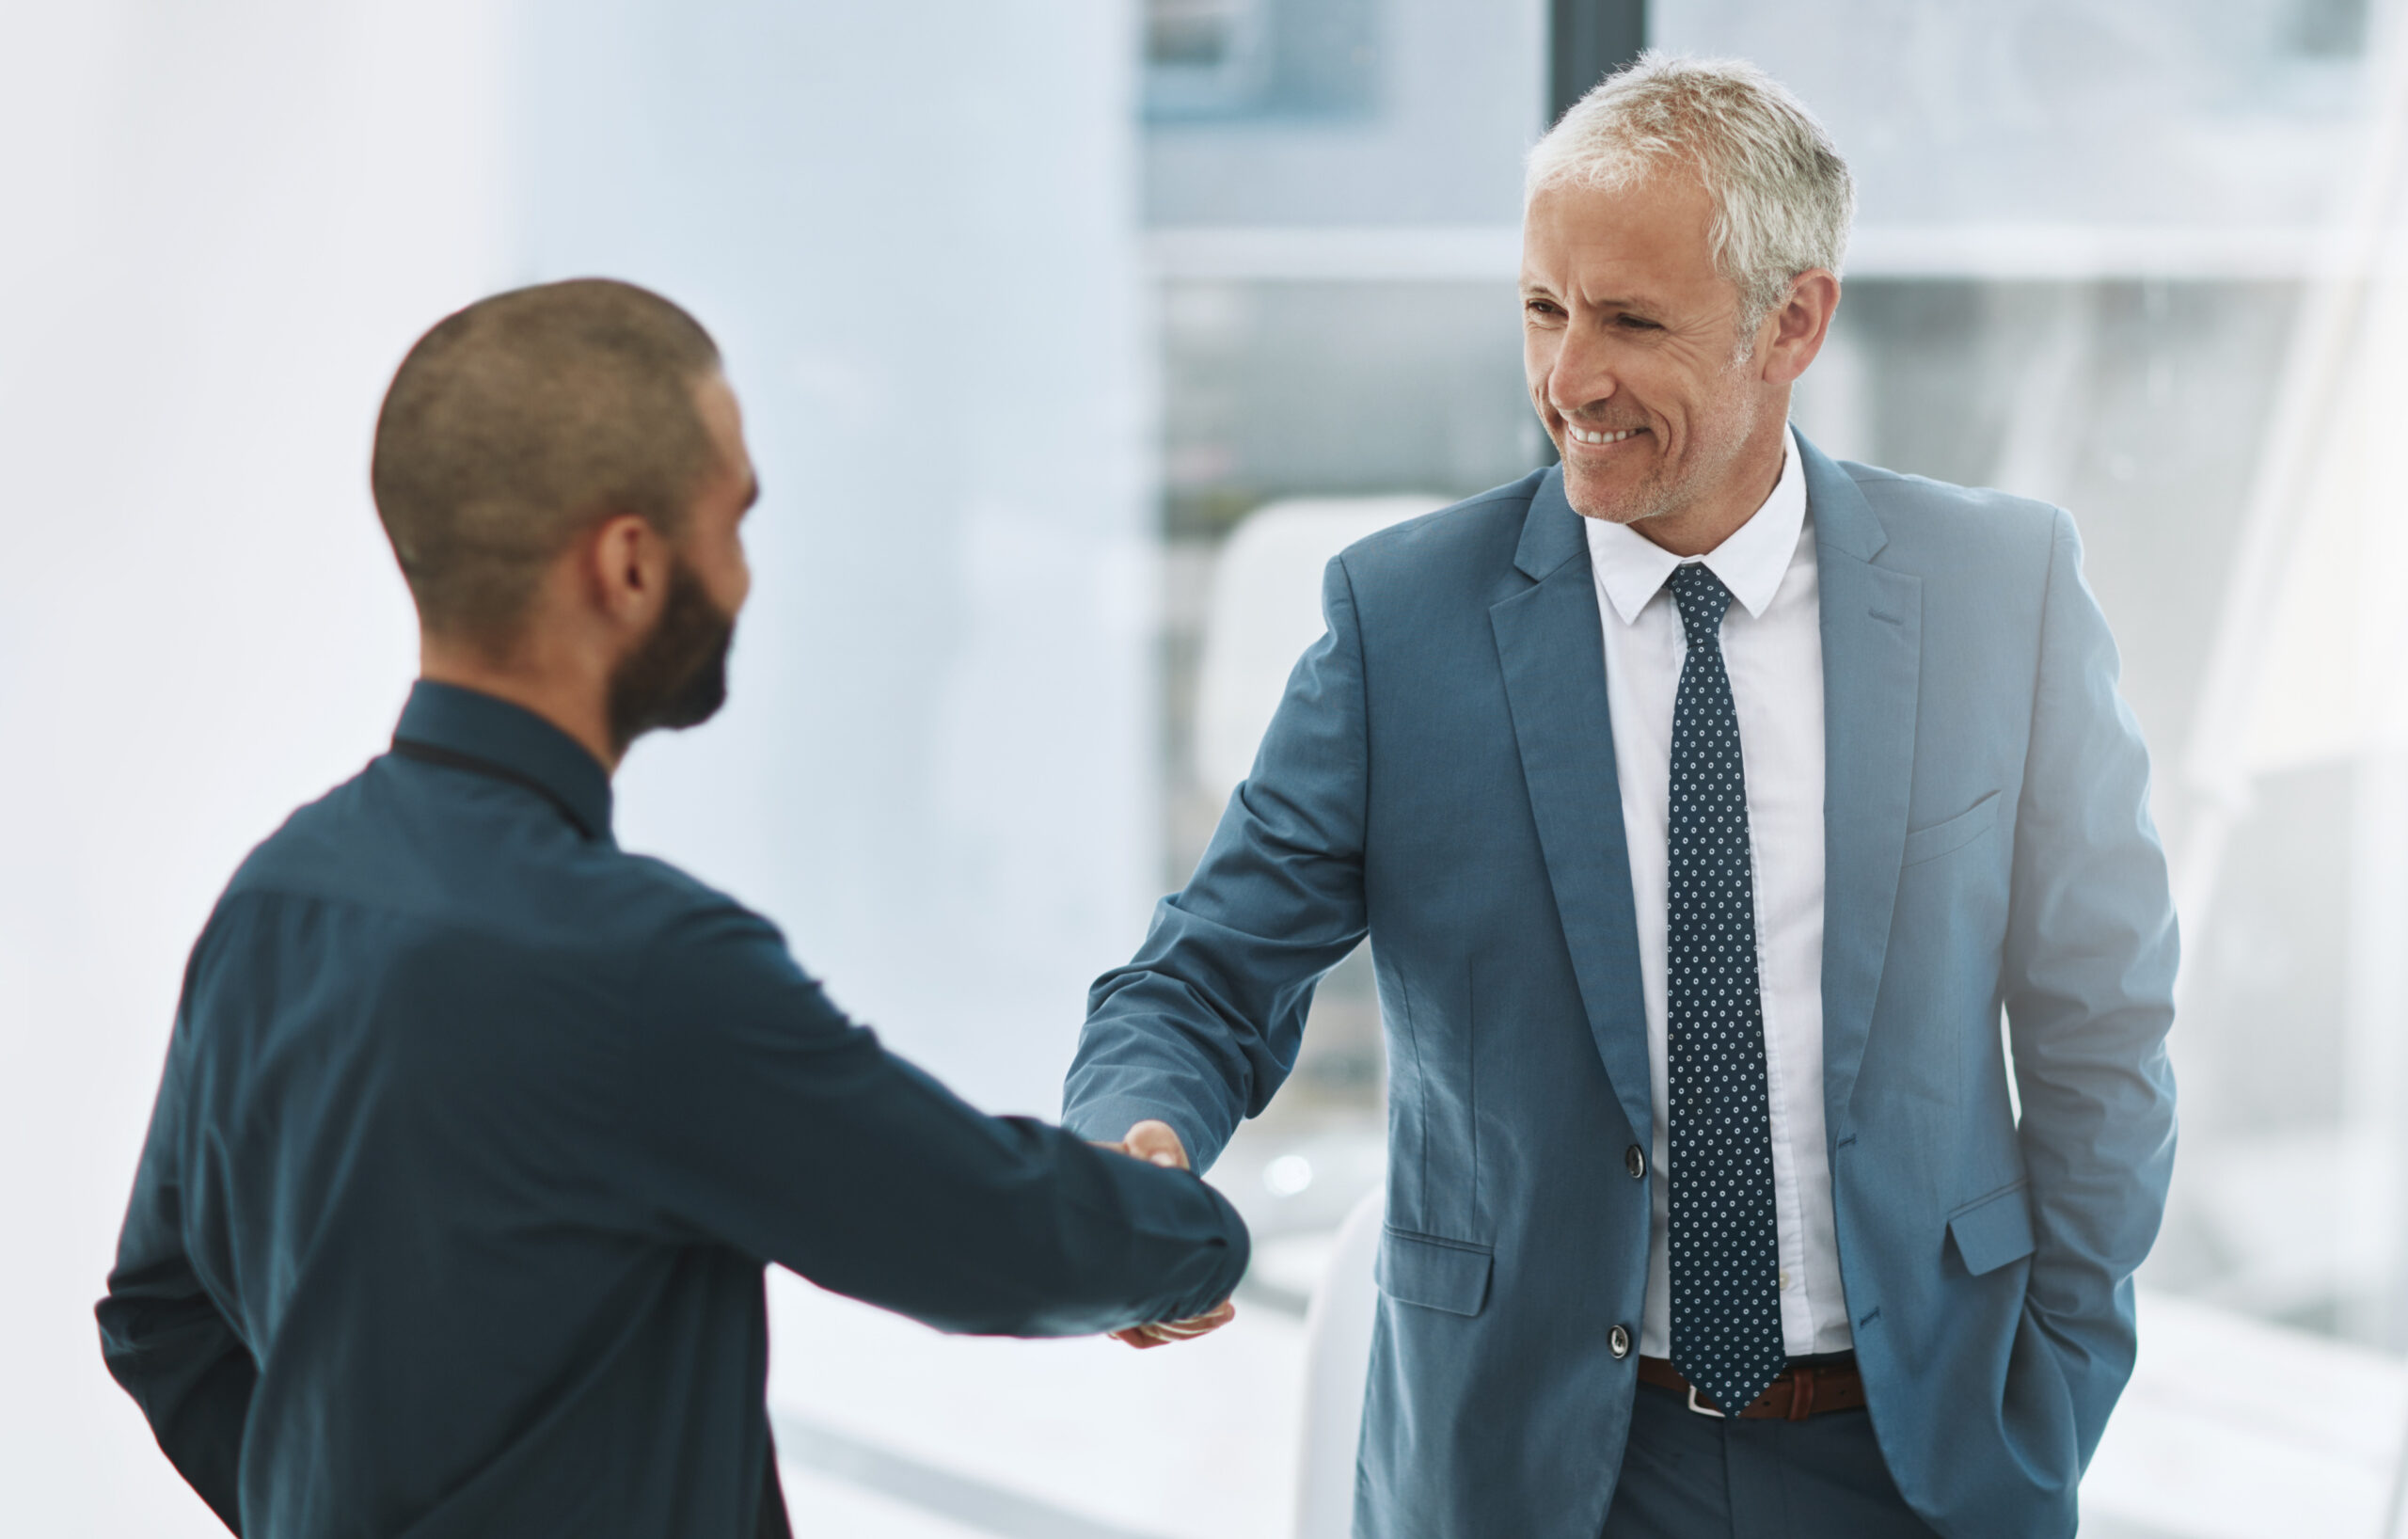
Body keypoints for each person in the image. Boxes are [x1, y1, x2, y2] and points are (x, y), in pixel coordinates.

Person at [1064, 54, 2176, 1539]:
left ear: (1794, 322)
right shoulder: (1405, 626)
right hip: (1528, 1472)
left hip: (1919, 1460)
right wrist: (1132, 1145)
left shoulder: (2000, 592)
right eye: (1544, 308)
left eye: (1632, 322)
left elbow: (2104, 1025)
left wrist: (2058, 1383)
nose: (1569, 378)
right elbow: (1202, 976)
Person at [96, 278, 1247, 1539]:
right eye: (734, 521)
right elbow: (988, 1229)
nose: (744, 577)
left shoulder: (273, 901)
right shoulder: (635, 966)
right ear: (632, 564)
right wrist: (1193, 1237)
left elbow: (159, 1319)